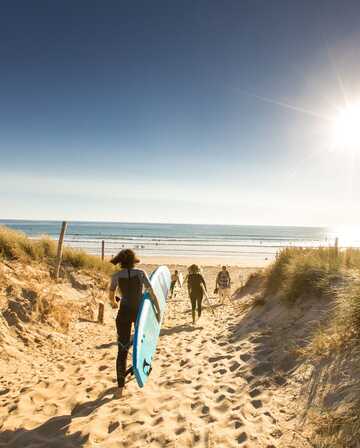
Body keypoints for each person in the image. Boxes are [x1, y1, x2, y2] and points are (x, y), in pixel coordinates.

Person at [109, 249, 161, 398]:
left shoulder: (117, 276)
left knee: (122, 348)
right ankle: (141, 367)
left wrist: (113, 303)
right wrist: (158, 311)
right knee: (142, 342)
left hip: (123, 314)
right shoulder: (141, 273)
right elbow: (151, 292)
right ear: (133, 260)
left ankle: (120, 382)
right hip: (139, 314)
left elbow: (111, 294)